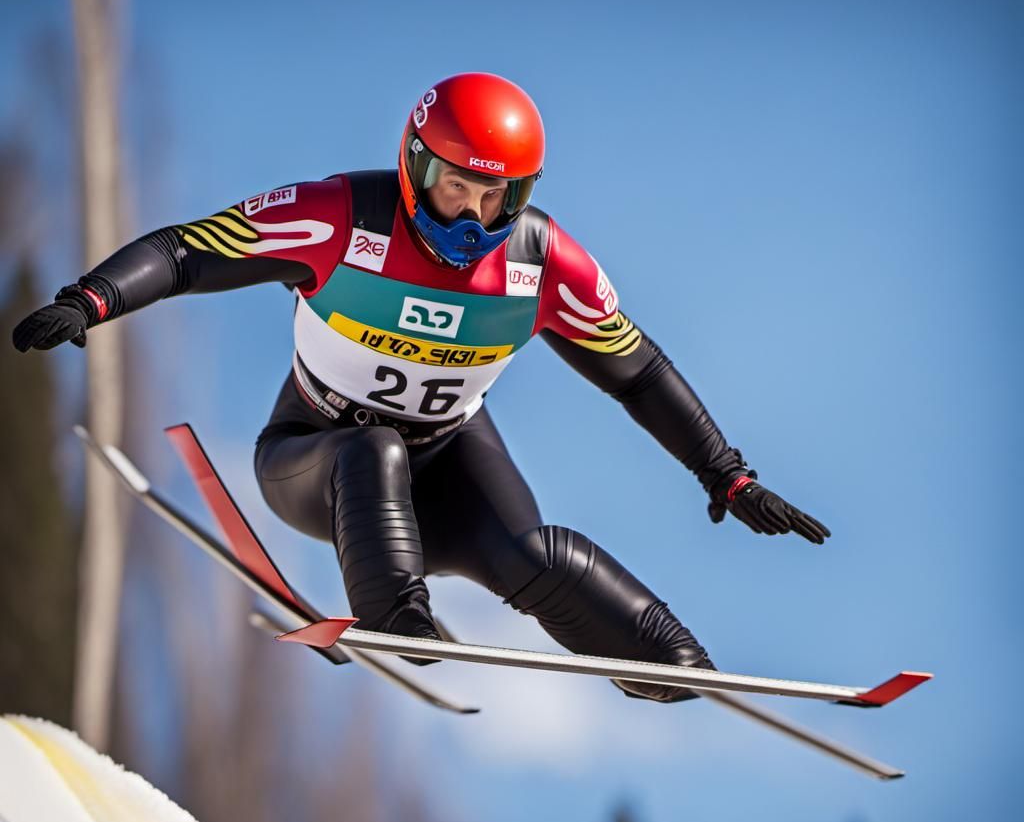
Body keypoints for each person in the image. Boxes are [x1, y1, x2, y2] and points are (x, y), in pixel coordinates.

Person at [12, 72, 829, 702]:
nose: (471, 219)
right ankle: (395, 615)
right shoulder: (340, 217)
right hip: (317, 462)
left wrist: (726, 471)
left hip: (448, 465)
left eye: (495, 198)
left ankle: (670, 664)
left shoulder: (541, 266)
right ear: (414, 164)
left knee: (532, 554)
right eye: (453, 189)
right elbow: (191, 249)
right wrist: (92, 299)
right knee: (372, 447)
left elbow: (638, 369)